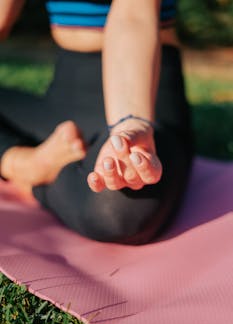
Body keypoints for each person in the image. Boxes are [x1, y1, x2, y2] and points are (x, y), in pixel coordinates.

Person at [0, 0, 193, 244]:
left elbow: (132, 16)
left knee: (121, 210)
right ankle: (22, 163)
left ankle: (37, 184)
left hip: (143, 89)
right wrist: (18, 161)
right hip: (65, 91)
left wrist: (129, 123)